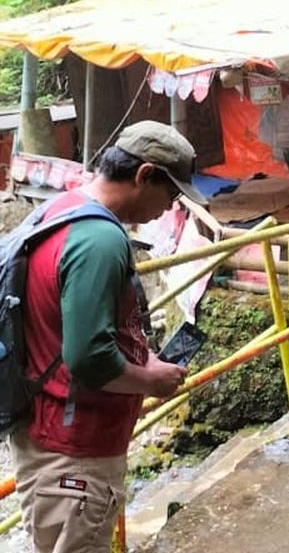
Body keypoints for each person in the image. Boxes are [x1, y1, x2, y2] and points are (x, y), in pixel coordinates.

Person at [13, 121, 201, 553]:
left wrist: (142, 359)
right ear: (144, 175)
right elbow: (88, 357)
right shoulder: (99, 240)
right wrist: (151, 380)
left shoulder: (65, 207)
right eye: (171, 195)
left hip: (49, 433)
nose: (169, 208)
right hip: (75, 450)